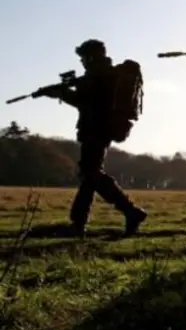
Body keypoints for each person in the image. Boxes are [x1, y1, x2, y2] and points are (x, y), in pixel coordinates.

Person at [40, 39, 147, 237]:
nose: (82, 62)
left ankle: (131, 211)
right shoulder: (103, 74)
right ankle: (79, 223)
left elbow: (85, 102)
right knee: (89, 176)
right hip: (100, 129)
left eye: (83, 58)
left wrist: (62, 93)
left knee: (91, 173)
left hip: (96, 129)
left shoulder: (99, 77)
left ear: (90, 57)